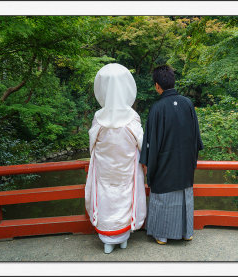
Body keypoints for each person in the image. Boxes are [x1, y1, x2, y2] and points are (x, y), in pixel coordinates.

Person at [85, 63, 146, 254]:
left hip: (104, 169)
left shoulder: (98, 117)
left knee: (104, 198)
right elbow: (141, 144)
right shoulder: (132, 117)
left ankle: (107, 240)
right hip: (126, 168)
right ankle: (124, 238)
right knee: (126, 196)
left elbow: (92, 145)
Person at [139, 65, 203, 245]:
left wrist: (146, 162)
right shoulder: (188, 104)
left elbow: (150, 141)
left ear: (157, 86)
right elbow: (196, 138)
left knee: (163, 197)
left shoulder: (157, 108)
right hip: (184, 163)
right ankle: (186, 232)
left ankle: (162, 235)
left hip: (164, 163)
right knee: (184, 196)